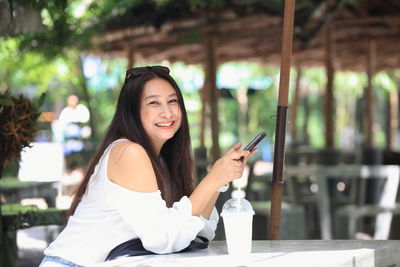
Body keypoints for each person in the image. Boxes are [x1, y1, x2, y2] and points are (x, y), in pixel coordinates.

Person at [39, 66, 257, 266]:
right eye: (154, 103)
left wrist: (218, 181)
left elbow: (197, 233)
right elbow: (162, 239)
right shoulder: (129, 153)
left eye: (173, 101)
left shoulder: (163, 160)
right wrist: (212, 180)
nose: (167, 112)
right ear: (132, 111)